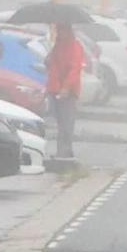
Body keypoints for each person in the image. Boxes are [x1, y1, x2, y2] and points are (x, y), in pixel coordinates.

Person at [45, 21, 85, 164]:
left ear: (68, 31)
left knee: (67, 123)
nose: (59, 33)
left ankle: (64, 153)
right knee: (61, 123)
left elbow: (75, 70)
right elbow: (52, 66)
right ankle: (63, 152)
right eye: (57, 31)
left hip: (69, 92)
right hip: (55, 90)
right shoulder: (57, 46)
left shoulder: (75, 47)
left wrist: (66, 87)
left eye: (61, 30)